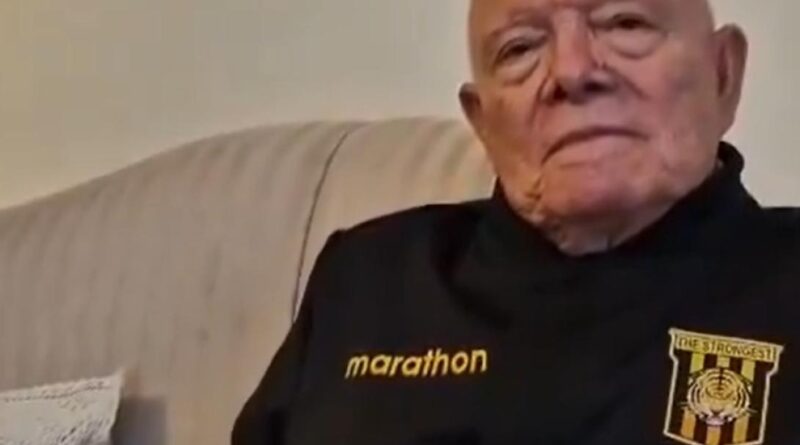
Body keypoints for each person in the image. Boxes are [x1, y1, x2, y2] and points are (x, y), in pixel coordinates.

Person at [232, 0, 800, 443]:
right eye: (519, 48)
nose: (573, 71)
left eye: (625, 23)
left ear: (724, 74)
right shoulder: (369, 278)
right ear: (482, 122)